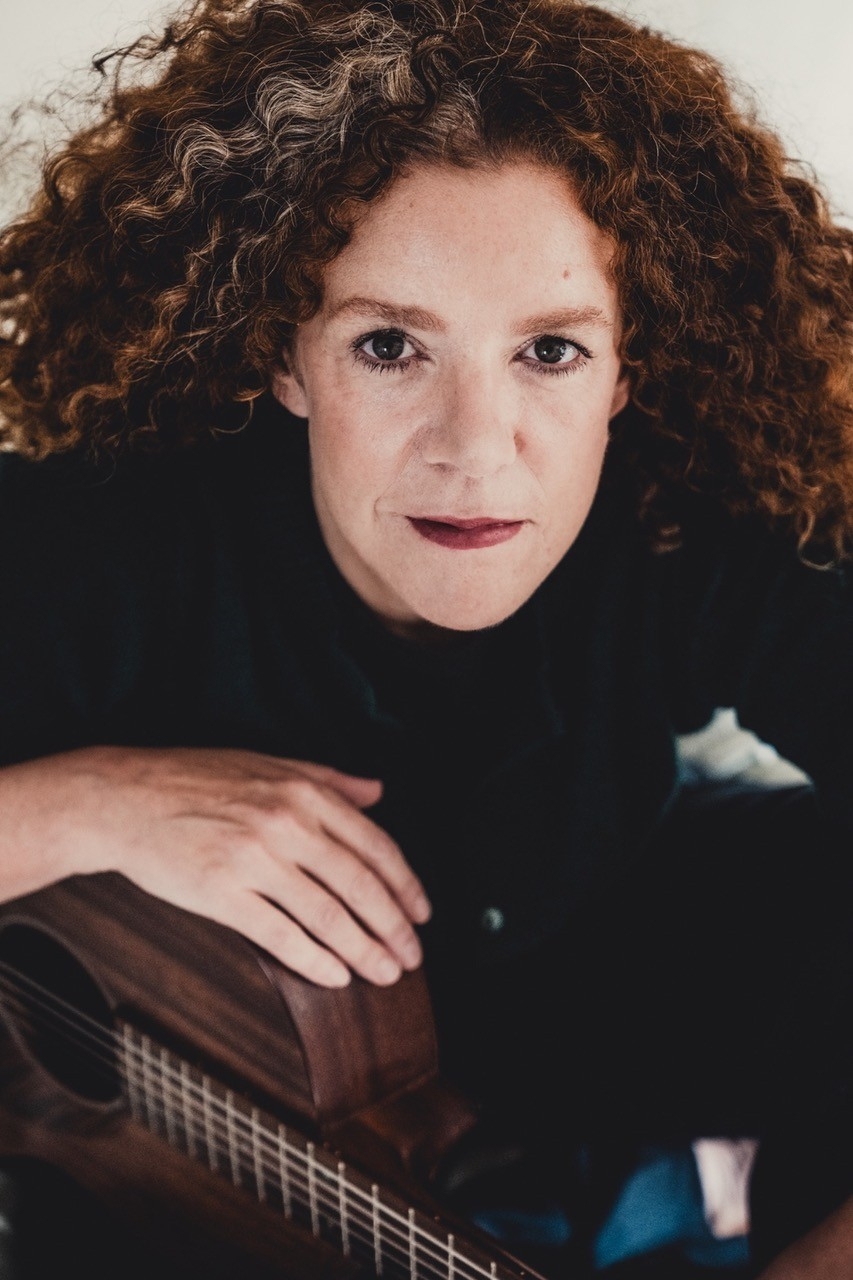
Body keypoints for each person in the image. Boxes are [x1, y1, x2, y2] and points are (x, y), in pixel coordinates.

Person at [0, 0, 850, 1275]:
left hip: (566, 1000)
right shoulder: (100, 541)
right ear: (286, 357)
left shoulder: (695, 519)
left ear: (627, 367)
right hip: (167, 1135)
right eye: (389, 345)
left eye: (549, 351)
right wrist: (84, 806)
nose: (473, 449)